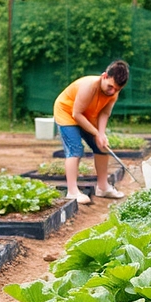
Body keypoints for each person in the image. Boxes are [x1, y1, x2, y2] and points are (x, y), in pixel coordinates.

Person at [53, 60, 129, 204]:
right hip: (67, 112)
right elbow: (77, 114)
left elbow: (104, 114)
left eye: (117, 89)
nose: (112, 91)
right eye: (110, 86)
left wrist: (101, 134)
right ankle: (72, 191)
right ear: (104, 76)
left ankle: (102, 187)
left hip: (87, 115)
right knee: (75, 149)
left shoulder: (113, 92)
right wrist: (96, 133)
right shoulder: (89, 86)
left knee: (102, 146)